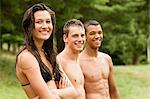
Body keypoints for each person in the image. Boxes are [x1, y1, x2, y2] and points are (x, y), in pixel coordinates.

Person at [16, 3, 76, 99]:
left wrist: (54, 92)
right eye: (39, 22)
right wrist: (62, 92)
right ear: (29, 27)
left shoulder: (50, 55)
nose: (45, 26)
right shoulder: (27, 57)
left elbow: (73, 92)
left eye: (48, 21)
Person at [79, 20, 120, 99]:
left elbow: (113, 90)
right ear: (84, 36)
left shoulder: (106, 59)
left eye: (100, 33)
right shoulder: (79, 61)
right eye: (92, 33)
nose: (97, 36)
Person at [57, 19, 86, 99]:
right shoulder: (59, 61)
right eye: (75, 36)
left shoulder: (79, 60)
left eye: (82, 35)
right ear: (65, 38)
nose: (80, 39)